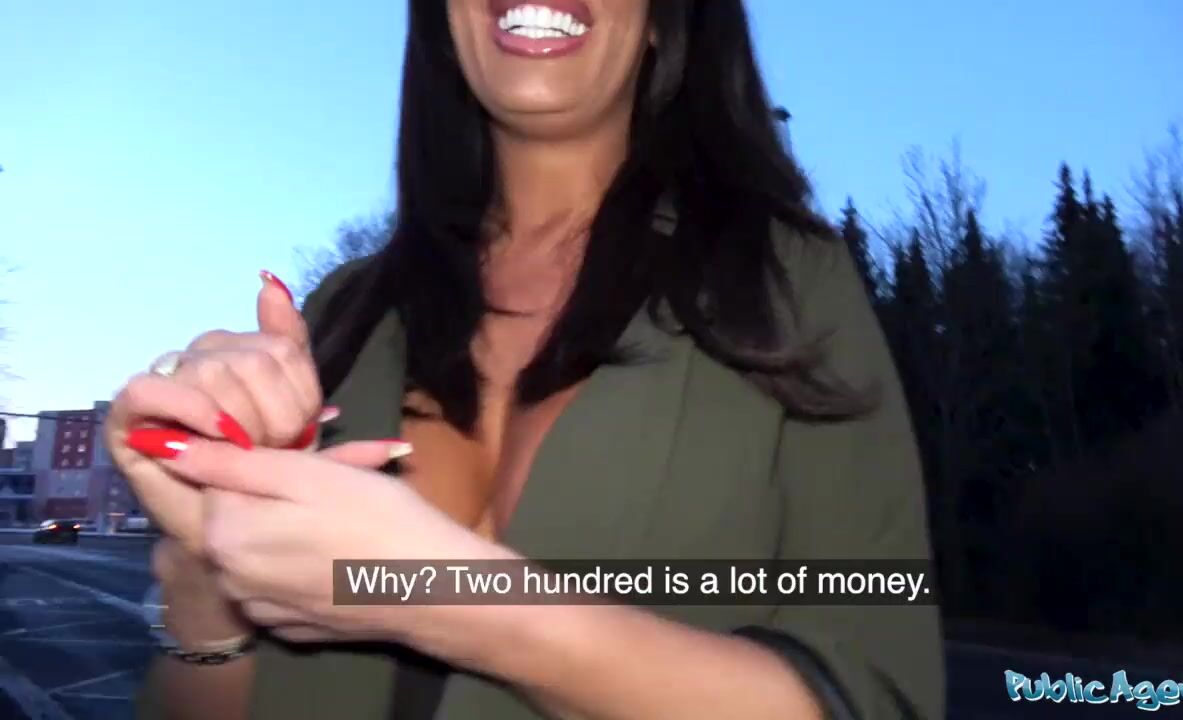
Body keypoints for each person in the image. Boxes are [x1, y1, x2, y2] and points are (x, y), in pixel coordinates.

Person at [109, 0, 944, 718]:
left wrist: (454, 602)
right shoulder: (340, 313)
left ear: (665, 19)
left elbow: (876, 692)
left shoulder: (785, 286)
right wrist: (204, 582)